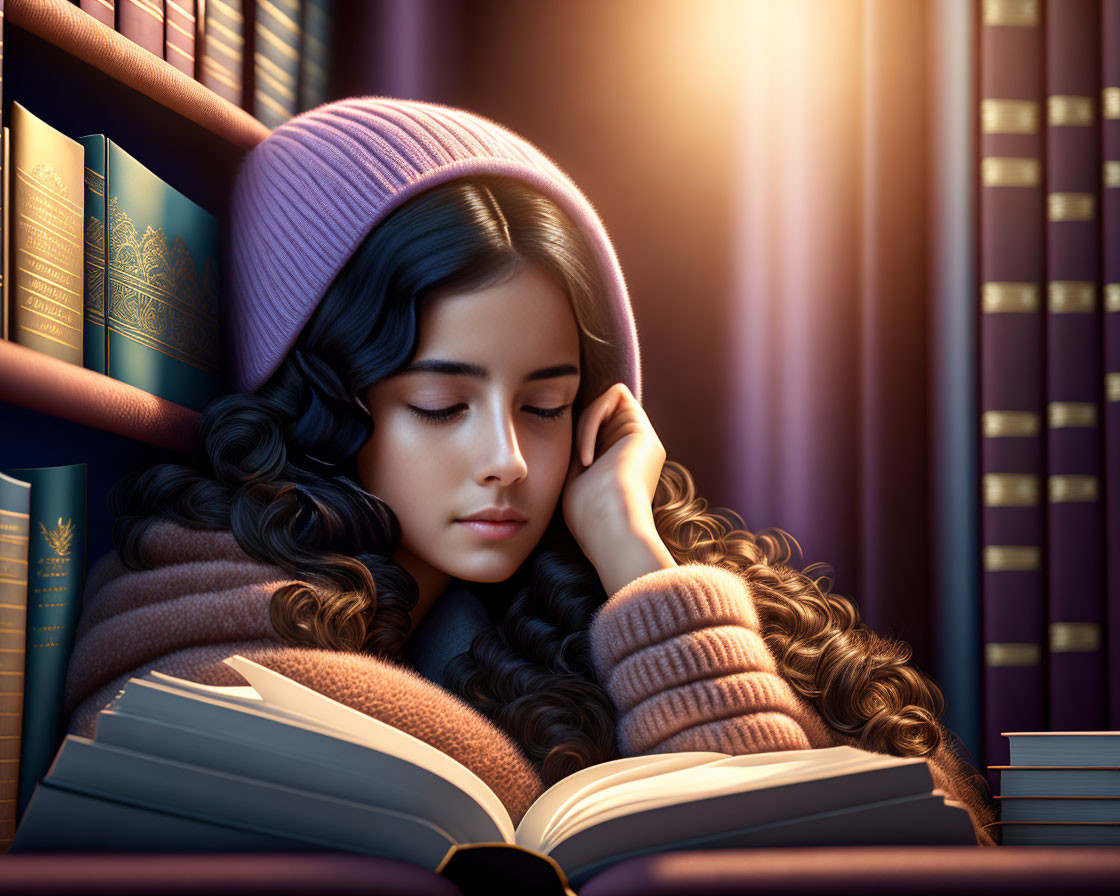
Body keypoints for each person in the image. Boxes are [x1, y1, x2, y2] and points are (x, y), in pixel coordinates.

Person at [64, 98, 996, 843]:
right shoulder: (207, 647)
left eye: (545, 407)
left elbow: (813, 858)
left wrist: (633, 551)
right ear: (321, 408)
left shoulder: (577, 589)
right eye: (441, 407)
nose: (508, 461)